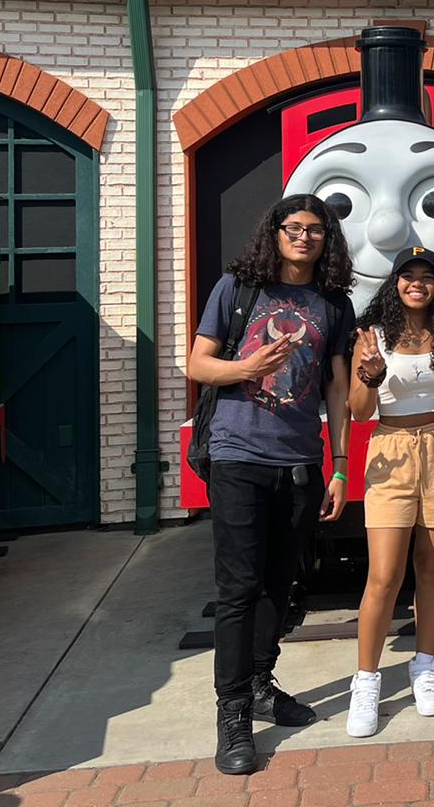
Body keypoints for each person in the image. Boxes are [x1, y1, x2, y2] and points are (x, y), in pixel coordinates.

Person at [188, 193, 354, 776]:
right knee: (237, 589)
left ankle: (261, 681)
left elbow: (336, 388)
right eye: (294, 227)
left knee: (280, 585)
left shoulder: (333, 302)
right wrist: (245, 370)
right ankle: (232, 714)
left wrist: (339, 463)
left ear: (326, 239)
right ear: (275, 232)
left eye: (315, 229)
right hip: (238, 455)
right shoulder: (237, 288)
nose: (304, 237)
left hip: (301, 462)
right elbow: (197, 363)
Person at [345, 246, 434, 739]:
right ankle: (366, 681)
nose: (417, 283)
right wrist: (371, 374)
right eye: (408, 275)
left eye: (426, 276)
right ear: (395, 283)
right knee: (384, 574)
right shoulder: (373, 335)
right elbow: (360, 411)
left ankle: (425, 666)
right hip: (392, 450)